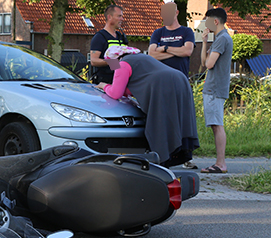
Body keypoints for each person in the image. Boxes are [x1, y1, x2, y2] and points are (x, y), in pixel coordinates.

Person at [96, 45, 199, 167]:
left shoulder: (123, 64)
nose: (111, 67)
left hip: (162, 85)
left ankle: (162, 158)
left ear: (113, 59)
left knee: (159, 122)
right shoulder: (140, 58)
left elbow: (116, 93)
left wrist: (104, 86)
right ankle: (178, 153)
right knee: (176, 119)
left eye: (110, 63)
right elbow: (136, 84)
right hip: (180, 80)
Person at [200, 8, 233, 174]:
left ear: (215, 21)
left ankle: (221, 164)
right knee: (215, 124)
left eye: (207, 20)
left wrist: (209, 49)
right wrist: (205, 41)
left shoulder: (222, 39)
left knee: (217, 124)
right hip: (214, 87)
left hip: (215, 88)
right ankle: (220, 163)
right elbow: (203, 61)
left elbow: (209, 64)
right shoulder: (219, 38)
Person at [148, 1, 195, 77]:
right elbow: (152, 55)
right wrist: (178, 52)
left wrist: (164, 48)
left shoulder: (187, 31)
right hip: (161, 78)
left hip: (180, 77)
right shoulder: (157, 33)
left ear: (176, 12)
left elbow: (187, 51)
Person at [89, 5, 128, 84]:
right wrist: (115, 63)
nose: (122, 19)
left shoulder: (120, 36)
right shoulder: (100, 37)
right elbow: (93, 61)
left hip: (119, 81)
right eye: (119, 16)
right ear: (109, 17)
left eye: (122, 16)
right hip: (104, 82)